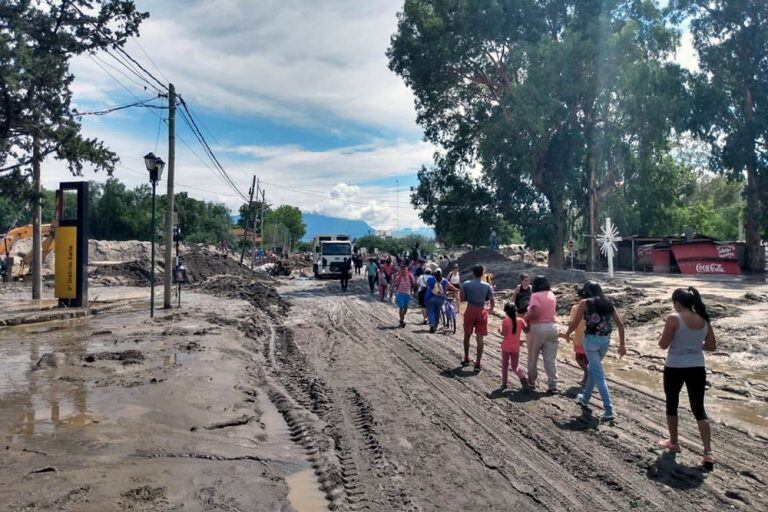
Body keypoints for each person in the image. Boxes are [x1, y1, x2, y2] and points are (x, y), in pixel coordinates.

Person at [657, 287, 716, 470]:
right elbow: (712, 346)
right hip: (697, 367)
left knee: (672, 403)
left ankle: (674, 442)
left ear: (677, 303)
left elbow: (663, 345)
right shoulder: (704, 319)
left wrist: (663, 337)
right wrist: (694, 345)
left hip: (675, 366)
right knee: (699, 409)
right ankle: (707, 452)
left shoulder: (674, 318)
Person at [563, 281, 626, 421]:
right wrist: (622, 345)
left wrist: (567, 334)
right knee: (593, 368)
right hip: (605, 340)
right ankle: (585, 399)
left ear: (586, 291)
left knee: (598, 374)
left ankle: (608, 409)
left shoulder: (585, 303)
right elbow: (620, 325)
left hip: (591, 341)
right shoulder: (608, 303)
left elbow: (575, 322)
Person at [524, 275, 559, 394]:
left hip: (537, 328)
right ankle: (553, 384)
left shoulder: (535, 295)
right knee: (550, 359)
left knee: (533, 356)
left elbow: (536, 311)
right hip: (552, 327)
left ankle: (532, 380)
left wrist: (526, 317)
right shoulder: (552, 295)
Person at [459, 265, 495, 371]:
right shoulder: (487, 286)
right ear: (483, 273)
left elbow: (462, 298)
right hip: (481, 311)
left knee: (467, 335)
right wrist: (490, 309)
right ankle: (478, 363)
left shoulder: (466, 284)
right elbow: (492, 301)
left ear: (473, 273)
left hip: (470, 310)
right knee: (480, 339)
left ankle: (466, 357)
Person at [499, 302, 528, 390]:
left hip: (506, 347)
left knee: (505, 365)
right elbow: (527, 330)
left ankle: (504, 383)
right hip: (515, 347)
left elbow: (503, 333)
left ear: (506, 312)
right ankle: (523, 379)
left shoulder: (505, 321)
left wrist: (499, 331)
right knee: (515, 366)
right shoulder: (520, 320)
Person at [565, 287, 589, 385]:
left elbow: (572, 323)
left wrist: (567, 334)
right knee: (587, 359)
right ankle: (587, 375)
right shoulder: (593, 306)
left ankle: (587, 375)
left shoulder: (576, 308)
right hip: (592, 337)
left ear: (580, 297)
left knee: (579, 358)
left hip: (580, 337)